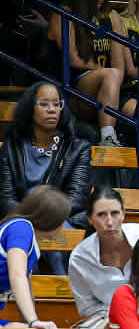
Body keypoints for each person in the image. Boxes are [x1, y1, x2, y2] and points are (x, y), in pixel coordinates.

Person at [50, 0, 126, 146]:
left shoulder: (111, 17)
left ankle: (109, 136)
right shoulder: (64, 13)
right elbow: (73, 58)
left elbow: (119, 67)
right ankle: (108, 137)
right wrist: (106, 72)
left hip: (106, 89)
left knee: (114, 75)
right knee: (111, 74)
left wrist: (111, 77)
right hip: (72, 90)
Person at [0, 80, 92, 224]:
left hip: (60, 220)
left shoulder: (78, 148)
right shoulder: (12, 146)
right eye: (44, 104)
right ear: (30, 109)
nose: (52, 109)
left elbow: (76, 198)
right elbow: (6, 197)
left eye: (57, 104)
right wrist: (29, 220)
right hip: (19, 220)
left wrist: (46, 219)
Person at [69, 188, 139, 327]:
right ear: (90, 219)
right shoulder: (79, 258)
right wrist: (119, 316)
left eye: (115, 213)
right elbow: (87, 307)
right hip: (107, 322)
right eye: (101, 215)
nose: (109, 222)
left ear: (124, 214)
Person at [0, 186, 68, 329]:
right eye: (62, 220)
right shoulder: (21, 228)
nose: (64, 226)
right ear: (50, 219)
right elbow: (17, 275)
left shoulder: (29, 240)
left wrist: (32, 324)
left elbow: (26, 289)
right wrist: (33, 321)